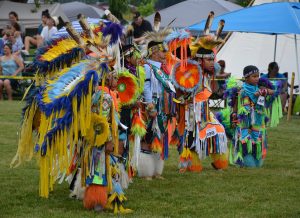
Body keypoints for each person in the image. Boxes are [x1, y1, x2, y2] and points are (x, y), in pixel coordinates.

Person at [137, 29, 175, 180]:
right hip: (150, 105)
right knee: (148, 136)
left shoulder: (161, 70)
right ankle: (146, 171)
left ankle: (156, 171)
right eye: (162, 51)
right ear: (153, 52)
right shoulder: (147, 67)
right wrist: (150, 105)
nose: (164, 54)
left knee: (159, 135)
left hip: (161, 106)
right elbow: (146, 87)